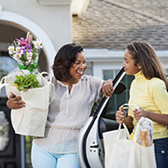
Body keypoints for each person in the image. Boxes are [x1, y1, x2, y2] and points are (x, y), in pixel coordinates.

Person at [7, 43, 113, 168]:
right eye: (77, 63)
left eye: (84, 62)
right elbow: (27, 101)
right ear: (65, 63)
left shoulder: (90, 83)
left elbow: (109, 84)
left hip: (73, 148)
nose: (83, 66)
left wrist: (109, 82)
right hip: (43, 146)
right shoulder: (47, 83)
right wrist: (10, 103)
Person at [116, 41, 168, 168]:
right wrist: (123, 119)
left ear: (139, 64)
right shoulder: (134, 84)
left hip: (157, 143)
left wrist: (146, 115)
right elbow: (131, 121)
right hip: (137, 142)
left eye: (126, 61)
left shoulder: (155, 84)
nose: (123, 64)